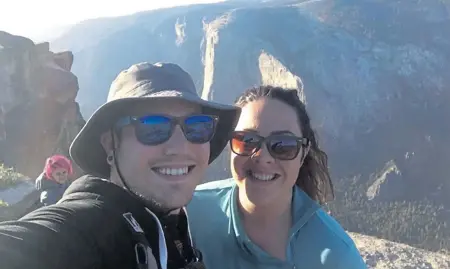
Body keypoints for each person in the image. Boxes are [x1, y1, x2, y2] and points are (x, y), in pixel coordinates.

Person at [0, 62, 240, 269]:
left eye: (197, 126)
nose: (179, 146)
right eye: (153, 127)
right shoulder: (92, 225)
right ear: (109, 144)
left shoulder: (177, 224)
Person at [187, 86, 367, 268]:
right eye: (247, 141)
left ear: (303, 154)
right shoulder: (190, 213)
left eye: (283, 145)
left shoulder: (336, 257)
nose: (262, 158)